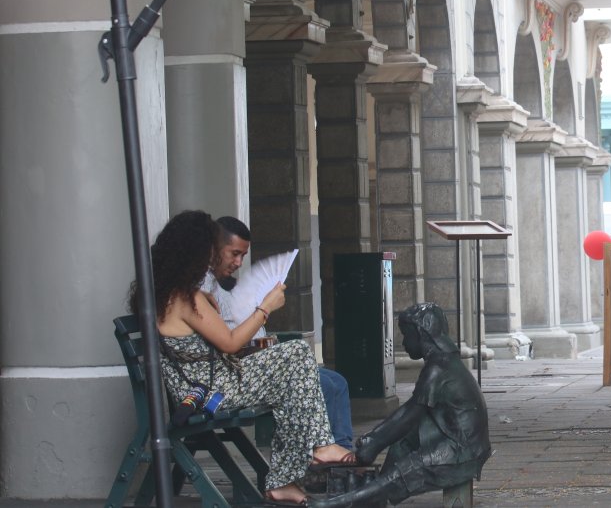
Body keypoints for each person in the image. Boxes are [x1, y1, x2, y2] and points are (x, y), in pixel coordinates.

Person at [134, 210, 353, 505]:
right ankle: (316, 450)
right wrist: (265, 307)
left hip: (201, 386)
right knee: (297, 353)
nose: (211, 258)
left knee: (292, 376)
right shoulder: (187, 298)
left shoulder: (167, 294)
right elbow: (230, 343)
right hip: (211, 391)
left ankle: (289, 476)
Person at [309, 303, 491, 508]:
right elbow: (408, 417)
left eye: (406, 334)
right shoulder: (443, 361)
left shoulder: (438, 369)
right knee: (403, 441)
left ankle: (341, 502)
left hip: (463, 451)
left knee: (402, 472)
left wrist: (373, 443)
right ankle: (371, 493)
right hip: (458, 439)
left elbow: (409, 414)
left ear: (421, 333)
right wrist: (374, 442)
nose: (403, 342)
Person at [201, 216, 354, 449]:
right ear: (212, 248)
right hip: (232, 376)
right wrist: (265, 309)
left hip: (245, 366)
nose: (239, 262)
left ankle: (340, 450)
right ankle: (323, 453)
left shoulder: (218, 285)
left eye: (243, 255)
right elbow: (227, 343)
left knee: (337, 381)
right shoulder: (201, 290)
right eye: (234, 253)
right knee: (317, 377)